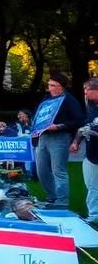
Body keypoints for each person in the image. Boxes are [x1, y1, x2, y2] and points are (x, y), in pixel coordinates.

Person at [36, 72, 84, 208]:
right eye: (49, 85)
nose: (50, 88)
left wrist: (59, 126)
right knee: (41, 170)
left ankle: (62, 201)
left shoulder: (69, 100)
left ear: (61, 86)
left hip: (60, 137)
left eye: (53, 85)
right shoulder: (46, 99)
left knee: (58, 170)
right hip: (43, 136)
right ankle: (52, 197)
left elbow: (79, 120)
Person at [70, 79, 98, 225]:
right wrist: (76, 141)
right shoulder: (90, 107)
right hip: (91, 154)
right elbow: (84, 127)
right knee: (91, 186)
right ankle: (94, 215)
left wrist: (93, 133)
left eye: (87, 89)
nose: (85, 93)